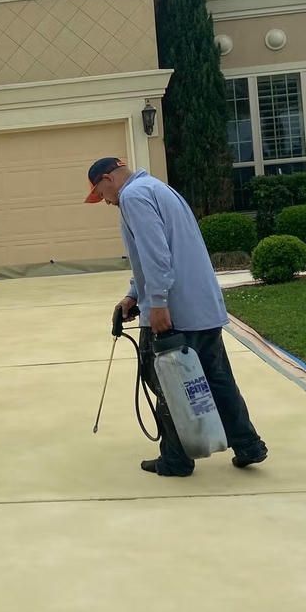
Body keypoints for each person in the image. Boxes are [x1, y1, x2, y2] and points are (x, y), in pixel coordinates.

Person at [85, 156, 268, 477]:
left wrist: (156, 303)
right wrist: (134, 295)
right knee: (217, 377)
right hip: (202, 305)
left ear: (107, 179)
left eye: (101, 195)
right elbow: (155, 251)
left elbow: (156, 253)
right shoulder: (157, 188)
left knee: (164, 379)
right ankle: (248, 443)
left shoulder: (133, 197)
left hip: (176, 310)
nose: (106, 202)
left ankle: (177, 458)